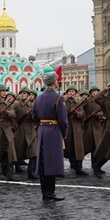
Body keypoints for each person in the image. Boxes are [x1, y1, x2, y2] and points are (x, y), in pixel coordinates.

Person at [32, 68, 68, 201]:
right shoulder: (59, 98)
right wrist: (64, 133)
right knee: (51, 162)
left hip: (42, 130)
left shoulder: (38, 98)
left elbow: (34, 116)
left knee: (42, 162)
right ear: (54, 82)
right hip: (54, 131)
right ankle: (50, 192)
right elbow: (63, 120)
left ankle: (44, 192)